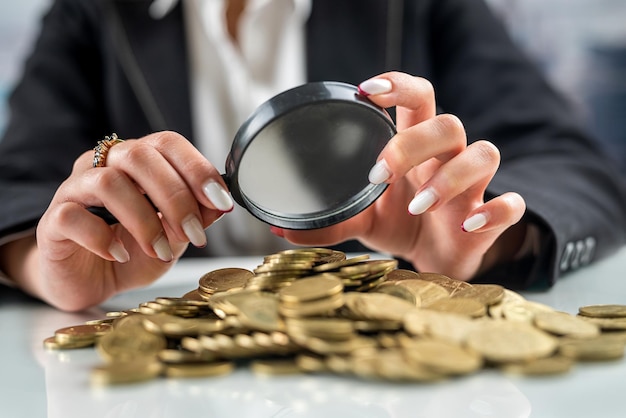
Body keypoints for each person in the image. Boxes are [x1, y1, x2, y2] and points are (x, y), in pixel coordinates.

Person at [0, 0, 624, 312]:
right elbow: (18, 184)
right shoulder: (90, 14)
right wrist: (44, 263)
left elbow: (578, 170)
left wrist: (482, 238)